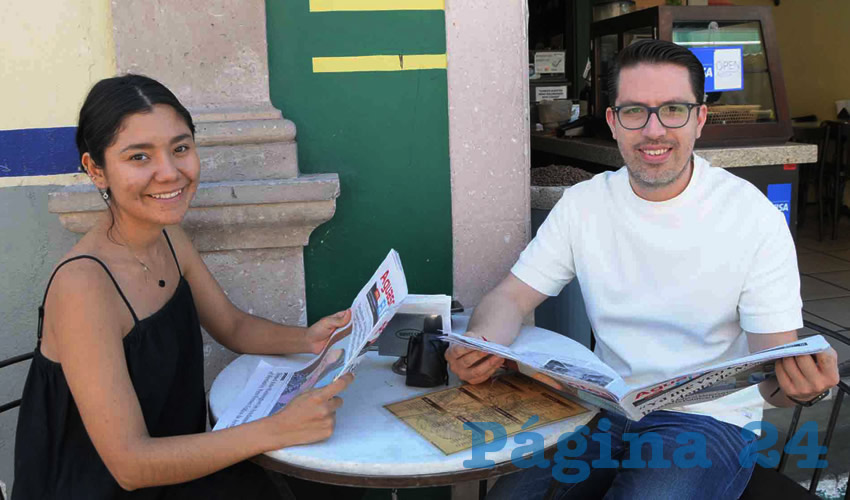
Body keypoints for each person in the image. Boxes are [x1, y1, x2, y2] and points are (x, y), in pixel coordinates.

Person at [446, 40, 839, 500]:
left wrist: (801, 388)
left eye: (673, 109)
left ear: (700, 120)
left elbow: (773, 375)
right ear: (613, 122)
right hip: (604, 407)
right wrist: (481, 345)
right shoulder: (585, 205)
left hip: (710, 422)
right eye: (635, 111)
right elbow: (510, 298)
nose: (654, 131)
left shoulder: (753, 218)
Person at [13, 74, 355, 499]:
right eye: (139, 157)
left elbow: (231, 325)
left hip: (176, 471)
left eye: (180, 148)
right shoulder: (84, 286)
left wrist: (308, 339)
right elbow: (129, 465)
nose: (169, 173)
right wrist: (275, 430)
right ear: (95, 170)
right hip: (106, 487)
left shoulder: (169, 238)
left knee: (326, 484)